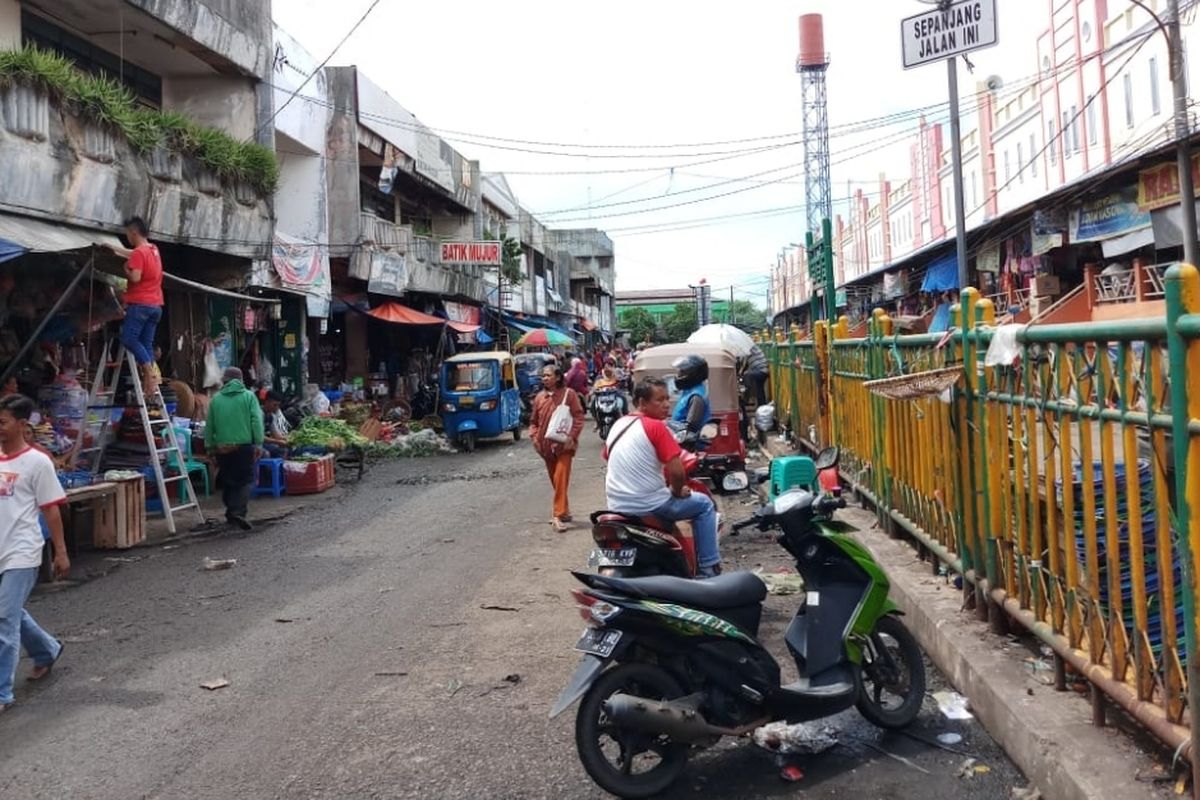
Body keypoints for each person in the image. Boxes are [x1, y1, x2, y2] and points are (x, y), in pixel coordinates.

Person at [604, 378, 721, 577]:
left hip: (616, 506)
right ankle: (708, 569)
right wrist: (677, 491)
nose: (667, 404)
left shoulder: (619, 424)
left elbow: (609, 457)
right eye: (659, 400)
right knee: (704, 505)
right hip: (649, 505)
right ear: (642, 403)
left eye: (667, 398)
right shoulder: (656, 427)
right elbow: (676, 472)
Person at [0, 394, 70, 714]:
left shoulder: (37, 462)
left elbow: (51, 511)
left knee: (4, 618)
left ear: (21, 424)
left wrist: (61, 552)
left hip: (23, 552)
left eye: (2, 423)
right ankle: (46, 650)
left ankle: (2, 693)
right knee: (11, 613)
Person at [106, 217, 164, 394]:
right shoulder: (153, 249)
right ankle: (151, 381)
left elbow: (136, 277)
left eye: (127, 234)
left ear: (133, 232)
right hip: (156, 306)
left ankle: (148, 373)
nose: (127, 237)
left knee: (129, 339)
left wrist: (125, 270)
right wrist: (113, 248)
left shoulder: (139, 253)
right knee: (146, 343)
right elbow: (132, 253)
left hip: (140, 305)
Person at [205, 368, 264, 530]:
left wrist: (209, 447)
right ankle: (238, 511)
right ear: (240, 381)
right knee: (245, 480)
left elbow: (209, 426)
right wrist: (258, 443)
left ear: (225, 381)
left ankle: (231, 512)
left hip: (222, 448)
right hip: (243, 446)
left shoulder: (216, 400)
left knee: (228, 479)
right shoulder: (249, 397)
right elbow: (256, 421)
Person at [529, 364, 584, 532]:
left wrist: (571, 436)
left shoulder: (569, 394)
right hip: (545, 448)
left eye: (548, 375)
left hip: (564, 446)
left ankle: (557, 515)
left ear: (558, 377)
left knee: (561, 478)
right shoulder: (540, 398)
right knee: (556, 481)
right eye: (543, 376)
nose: (544, 378)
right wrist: (534, 437)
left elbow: (578, 417)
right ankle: (564, 510)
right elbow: (533, 422)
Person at [671, 354, 712, 435]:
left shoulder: (696, 396)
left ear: (693, 374)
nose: (678, 376)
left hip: (688, 443)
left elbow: (691, 426)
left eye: (682, 372)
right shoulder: (689, 391)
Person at [261, 390, 290, 458]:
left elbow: (276, 434)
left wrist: (288, 439)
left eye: (278, 405)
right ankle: (267, 468)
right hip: (254, 443)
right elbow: (260, 437)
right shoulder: (259, 414)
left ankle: (281, 468)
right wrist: (278, 442)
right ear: (267, 402)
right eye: (275, 405)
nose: (276, 408)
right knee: (266, 453)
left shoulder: (271, 416)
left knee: (284, 450)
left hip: (264, 443)